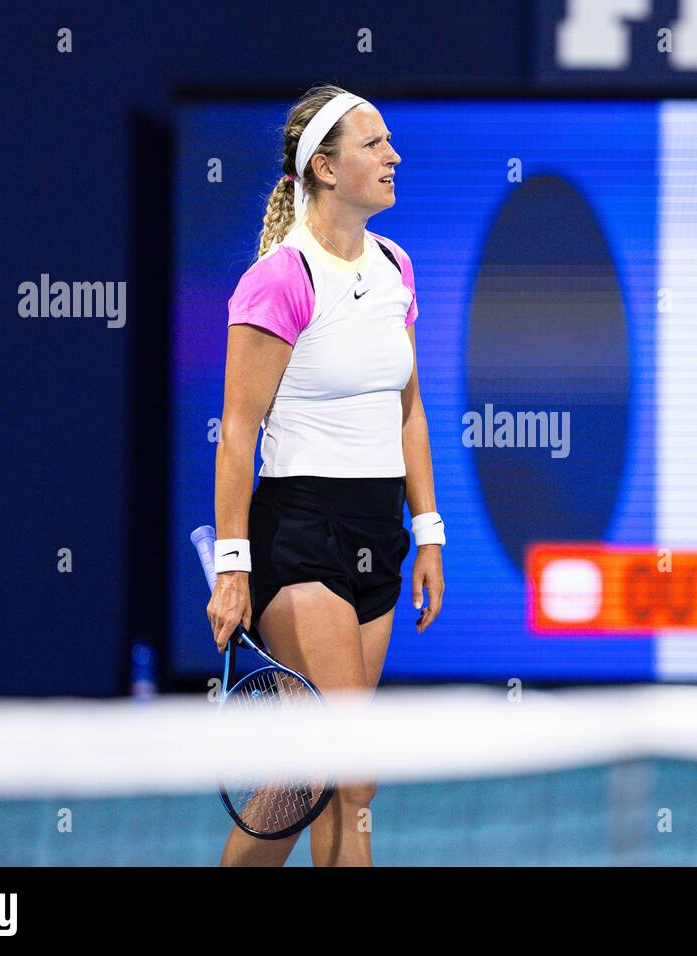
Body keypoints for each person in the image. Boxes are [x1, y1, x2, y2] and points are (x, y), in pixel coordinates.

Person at [205, 85, 444, 867]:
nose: (393, 157)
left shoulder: (397, 266)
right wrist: (232, 568)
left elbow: (409, 410)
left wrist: (429, 534)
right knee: (353, 773)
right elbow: (238, 433)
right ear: (326, 169)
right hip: (300, 535)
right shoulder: (280, 278)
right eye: (374, 145)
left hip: (379, 537)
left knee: (306, 777)